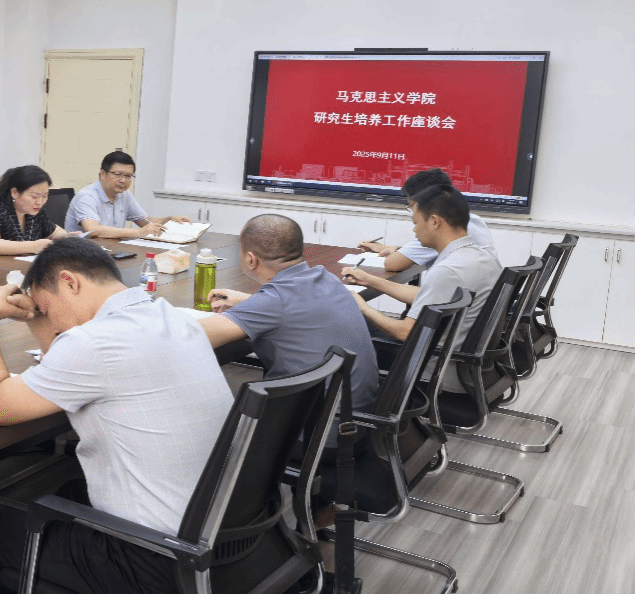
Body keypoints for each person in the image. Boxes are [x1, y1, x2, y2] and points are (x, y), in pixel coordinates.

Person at [0, 238, 234, 594]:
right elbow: (63, 357)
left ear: (70, 282)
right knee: (69, 495)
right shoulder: (169, 316)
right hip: (222, 543)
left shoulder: (93, 343)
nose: (52, 322)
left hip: (158, 568)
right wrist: (40, 316)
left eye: (47, 308)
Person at [198, 214, 379, 426]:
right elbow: (296, 307)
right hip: (354, 420)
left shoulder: (273, 302)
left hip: (315, 431)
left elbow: (192, 336)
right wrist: (250, 302)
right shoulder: (327, 278)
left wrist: (256, 305)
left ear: (251, 259)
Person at [343, 184, 502, 388]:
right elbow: (429, 296)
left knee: (351, 324)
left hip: (431, 373)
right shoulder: (480, 257)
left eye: (416, 223)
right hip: (467, 370)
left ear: (434, 222)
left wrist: (363, 307)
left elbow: (405, 332)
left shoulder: (447, 271)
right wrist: (371, 280)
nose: (414, 230)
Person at [358, 168, 498, 271]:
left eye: (412, 206)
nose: (413, 214)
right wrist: (388, 249)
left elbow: (392, 264)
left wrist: (368, 279)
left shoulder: (440, 226)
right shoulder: (471, 219)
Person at [63, 150, 191, 238]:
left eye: (128, 176)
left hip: (112, 250)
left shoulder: (124, 194)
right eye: (118, 174)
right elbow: (92, 230)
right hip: (81, 256)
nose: (123, 180)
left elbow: (146, 222)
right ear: (102, 174)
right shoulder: (87, 196)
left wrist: (169, 220)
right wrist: (138, 233)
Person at [0, 165, 72, 257]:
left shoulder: (35, 212)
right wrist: (34, 246)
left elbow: (55, 232)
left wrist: (66, 238)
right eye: (34, 196)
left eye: (45, 196)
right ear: (15, 192)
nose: (39, 202)